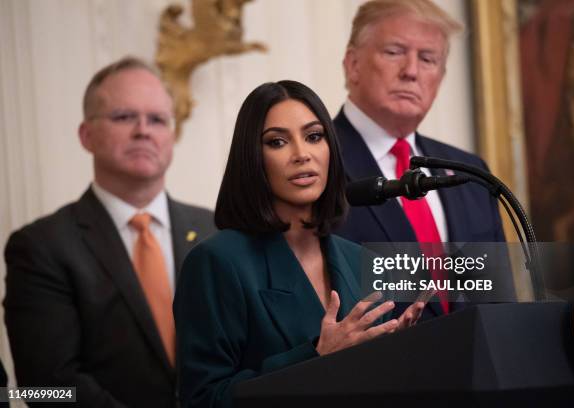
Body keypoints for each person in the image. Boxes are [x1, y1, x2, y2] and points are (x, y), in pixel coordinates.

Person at [174, 80, 425, 407]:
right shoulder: (216, 262)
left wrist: (395, 353)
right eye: (277, 142)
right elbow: (203, 400)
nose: (302, 154)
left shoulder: (358, 258)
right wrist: (317, 356)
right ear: (253, 158)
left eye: (314, 136)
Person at [4, 56, 215, 407]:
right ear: (86, 135)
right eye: (124, 117)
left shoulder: (215, 230)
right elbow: (46, 388)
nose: (143, 130)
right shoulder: (41, 247)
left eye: (158, 119)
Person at [334, 0, 514, 317]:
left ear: (440, 79)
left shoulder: (472, 174)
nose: (411, 71)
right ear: (353, 64)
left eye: (427, 59)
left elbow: (499, 305)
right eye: (394, 52)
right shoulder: (314, 166)